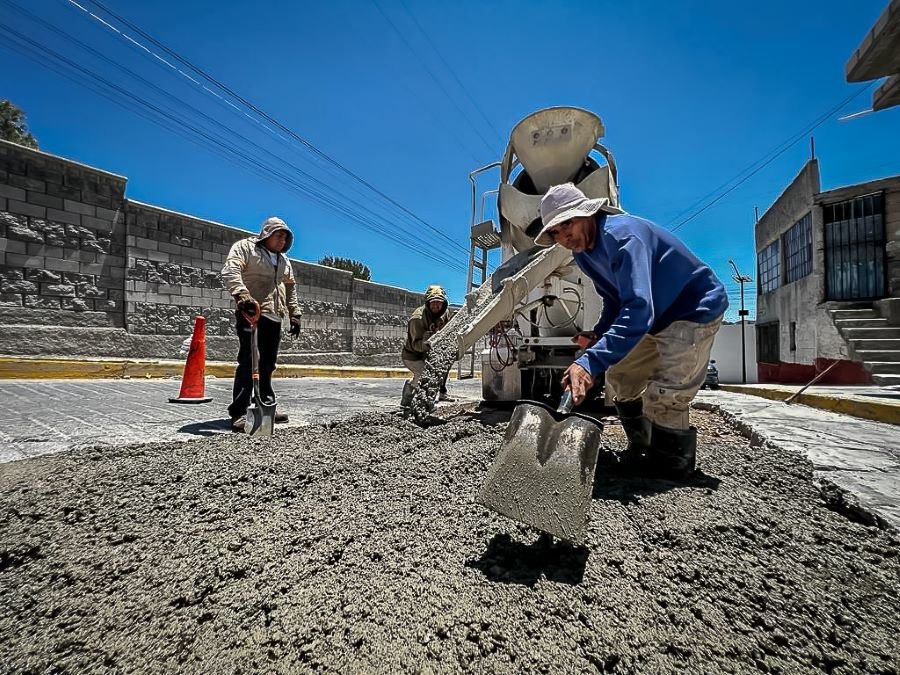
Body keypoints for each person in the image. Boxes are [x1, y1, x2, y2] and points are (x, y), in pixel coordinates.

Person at [535, 183, 728, 478]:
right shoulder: (584, 255)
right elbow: (614, 299)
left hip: (691, 310)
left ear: (588, 213)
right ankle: (642, 445)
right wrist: (599, 335)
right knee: (621, 378)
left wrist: (589, 362)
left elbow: (639, 308)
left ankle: (671, 471)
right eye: (556, 233)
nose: (564, 238)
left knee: (666, 394)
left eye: (568, 225)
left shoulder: (623, 236)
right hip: (653, 317)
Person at [221, 216, 302, 432]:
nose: (282, 240)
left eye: (286, 237)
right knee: (249, 361)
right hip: (252, 312)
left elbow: (290, 287)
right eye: (279, 235)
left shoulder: (284, 261)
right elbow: (231, 271)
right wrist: (242, 296)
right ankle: (239, 411)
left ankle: (265, 405)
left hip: (274, 316)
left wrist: (295, 313)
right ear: (267, 233)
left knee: (267, 364)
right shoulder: (245, 248)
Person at [400, 284, 454, 406]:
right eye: (433, 302)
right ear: (428, 302)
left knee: (444, 364)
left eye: (439, 302)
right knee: (424, 375)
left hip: (429, 352)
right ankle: (407, 399)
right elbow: (415, 345)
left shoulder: (445, 313)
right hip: (412, 355)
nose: (436, 306)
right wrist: (428, 342)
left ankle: (442, 393)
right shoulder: (417, 318)